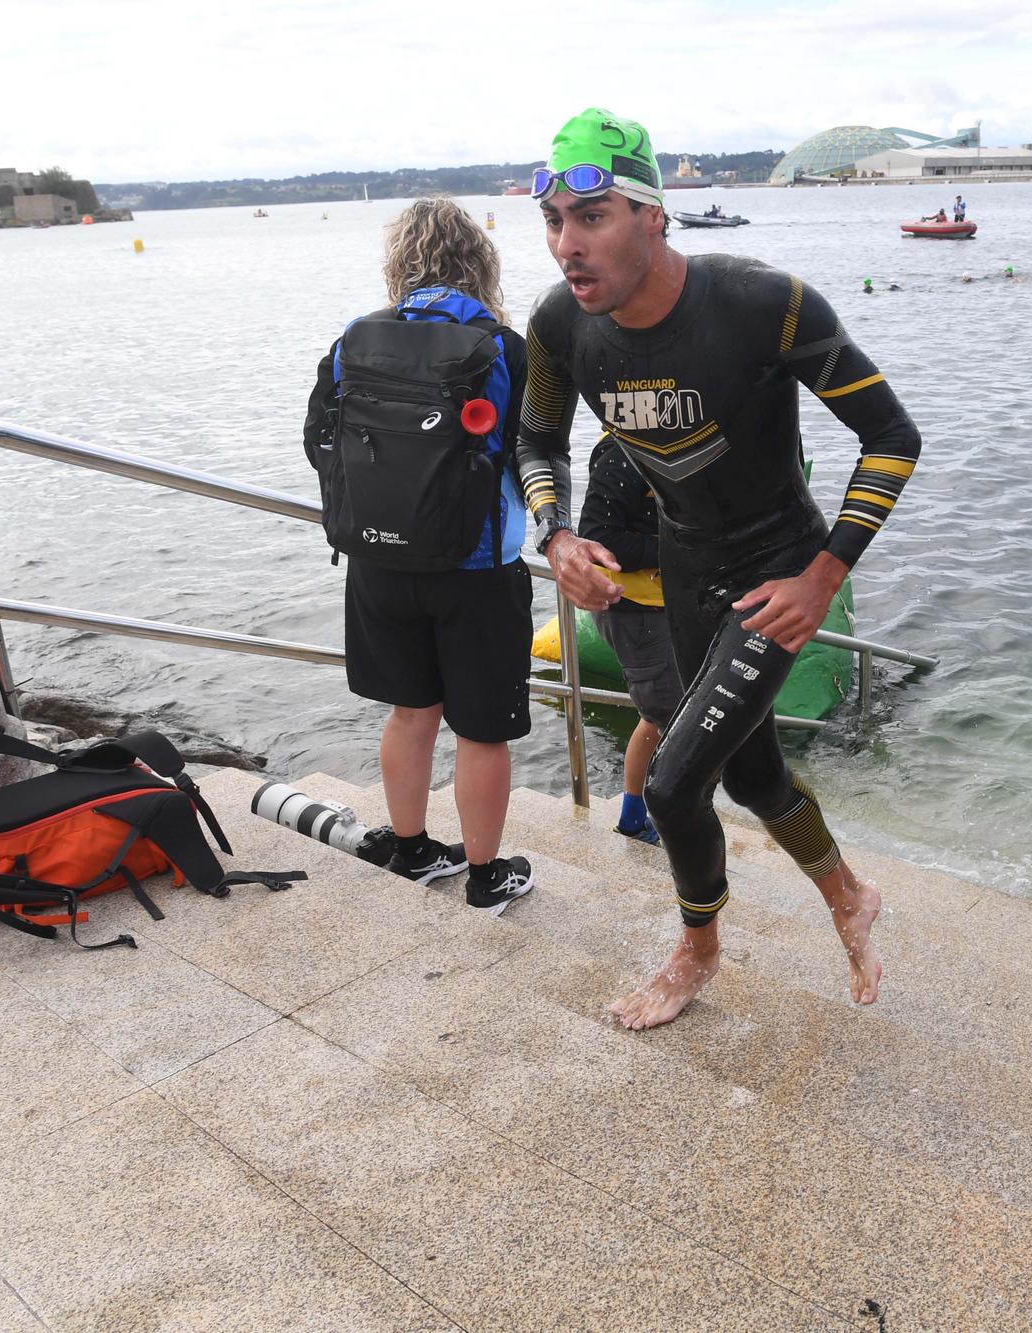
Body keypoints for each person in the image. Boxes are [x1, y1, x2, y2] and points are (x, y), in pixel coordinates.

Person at [519, 107, 922, 1029]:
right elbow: (536, 440)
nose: (567, 247)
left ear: (654, 215)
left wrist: (823, 576)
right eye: (554, 223)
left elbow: (892, 437)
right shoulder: (559, 327)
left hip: (776, 572)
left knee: (671, 783)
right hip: (691, 568)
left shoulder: (763, 304)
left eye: (593, 217)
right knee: (749, 776)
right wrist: (556, 538)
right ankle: (849, 894)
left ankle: (696, 952)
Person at [302, 196, 537, 912]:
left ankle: (410, 850)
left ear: (399, 263)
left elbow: (318, 441)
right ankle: (486, 875)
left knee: (410, 711)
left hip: (377, 565)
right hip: (477, 572)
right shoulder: (501, 347)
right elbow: (533, 452)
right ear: (480, 263)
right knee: (481, 731)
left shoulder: (355, 341)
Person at [579, 439, 681, 844]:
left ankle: (634, 815)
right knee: (674, 721)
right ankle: (675, 823)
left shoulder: (686, 439)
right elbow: (598, 536)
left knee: (657, 717)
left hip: (671, 604)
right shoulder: (623, 450)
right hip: (635, 610)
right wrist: (686, 549)